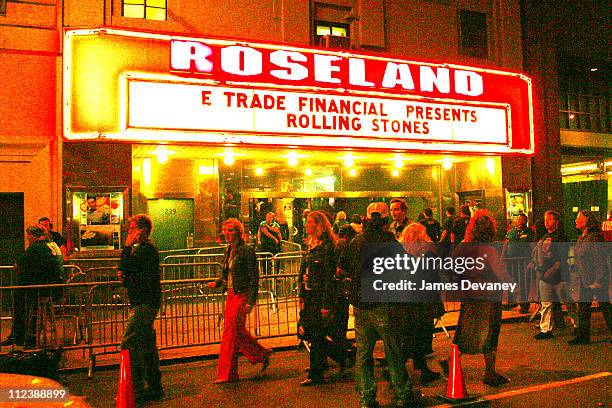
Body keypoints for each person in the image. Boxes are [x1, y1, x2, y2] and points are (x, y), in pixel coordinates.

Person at [340, 202, 417, 407]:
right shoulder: (390, 243)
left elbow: (342, 269)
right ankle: (402, 393)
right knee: (393, 352)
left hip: (361, 305)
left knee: (363, 354)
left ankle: (367, 398)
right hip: (384, 304)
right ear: (385, 222)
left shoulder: (357, 241)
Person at [444, 210, 512, 387]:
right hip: (488, 297)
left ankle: (451, 362)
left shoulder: (462, 246)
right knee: (490, 334)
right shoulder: (488, 250)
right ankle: (489, 373)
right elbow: (502, 274)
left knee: (464, 332)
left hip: (469, 296)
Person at [209, 218, 271, 383]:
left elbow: (253, 277)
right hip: (231, 294)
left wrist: (251, 300)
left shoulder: (246, 251)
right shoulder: (228, 250)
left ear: (238, 232)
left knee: (231, 332)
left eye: (230, 230)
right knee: (235, 332)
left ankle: (228, 374)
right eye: (225, 231)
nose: (227, 234)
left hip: (242, 295)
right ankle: (261, 354)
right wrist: (217, 283)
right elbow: (226, 275)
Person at [298, 210, 348, 386]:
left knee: (316, 334)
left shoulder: (327, 246)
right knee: (309, 332)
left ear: (319, 225)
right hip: (309, 293)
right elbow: (304, 270)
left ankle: (316, 372)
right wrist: (301, 293)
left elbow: (329, 277)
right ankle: (341, 355)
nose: (306, 225)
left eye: (310, 222)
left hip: (320, 295)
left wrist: (327, 303)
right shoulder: (310, 245)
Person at [118, 214, 163, 403]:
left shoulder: (147, 250)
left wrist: (126, 248)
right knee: (146, 344)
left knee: (129, 342)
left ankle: (134, 386)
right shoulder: (142, 250)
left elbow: (127, 267)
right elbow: (127, 270)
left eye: (132, 229)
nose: (129, 232)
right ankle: (153, 386)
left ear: (141, 231)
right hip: (142, 301)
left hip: (145, 302)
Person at [0, 224, 64, 349]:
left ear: (34, 236)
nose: (28, 239)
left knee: (20, 302)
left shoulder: (36, 247)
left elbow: (18, 265)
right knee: (28, 304)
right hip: (55, 288)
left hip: (42, 289)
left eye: (28, 236)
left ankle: (22, 336)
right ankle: (25, 335)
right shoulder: (52, 245)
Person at [400, 222, 443, 385]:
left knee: (412, 337)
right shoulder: (425, 256)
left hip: (409, 302)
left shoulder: (403, 256)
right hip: (421, 302)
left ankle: (418, 368)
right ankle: (406, 370)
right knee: (418, 336)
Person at [568, 210, 611, 345]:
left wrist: (599, 279)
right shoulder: (583, 237)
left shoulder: (594, 238)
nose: (576, 221)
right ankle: (583, 336)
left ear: (587, 221)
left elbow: (600, 260)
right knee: (584, 307)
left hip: (595, 278)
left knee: (605, 307)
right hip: (584, 278)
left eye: (579, 218)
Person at [533, 210, 570, 340]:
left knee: (567, 302)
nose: (546, 222)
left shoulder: (562, 237)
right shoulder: (543, 237)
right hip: (545, 275)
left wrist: (554, 268)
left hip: (559, 276)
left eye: (549, 219)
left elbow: (562, 257)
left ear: (556, 221)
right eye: (545, 219)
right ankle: (545, 329)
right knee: (546, 303)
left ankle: (578, 324)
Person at [501, 213, 534, 312]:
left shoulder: (529, 232)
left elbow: (532, 246)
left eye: (523, 220)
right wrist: (502, 257)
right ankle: (512, 302)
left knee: (523, 282)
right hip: (511, 262)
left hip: (524, 262)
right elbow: (506, 244)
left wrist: (532, 259)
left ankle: (524, 305)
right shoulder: (511, 232)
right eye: (519, 219)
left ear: (526, 221)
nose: (520, 222)